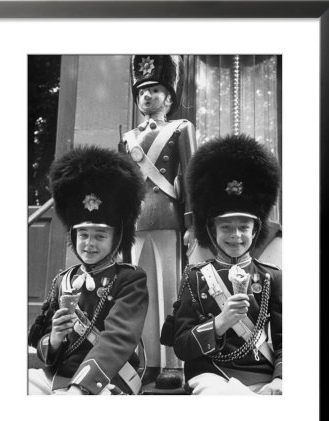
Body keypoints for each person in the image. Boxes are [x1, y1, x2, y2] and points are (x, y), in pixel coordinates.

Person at [28, 145, 148, 395]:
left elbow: (117, 339)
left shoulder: (130, 279)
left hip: (107, 380)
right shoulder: (63, 280)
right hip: (58, 377)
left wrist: (80, 388)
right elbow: (45, 345)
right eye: (83, 234)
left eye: (100, 235)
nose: (89, 243)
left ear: (117, 239)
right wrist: (55, 338)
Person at [172, 134, 282, 395]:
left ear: (255, 230)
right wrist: (220, 323)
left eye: (244, 227)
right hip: (212, 376)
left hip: (266, 377)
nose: (236, 235)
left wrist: (280, 379)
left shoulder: (272, 277)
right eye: (226, 227)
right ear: (211, 230)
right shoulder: (195, 277)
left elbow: (286, 338)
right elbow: (181, 345)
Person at [121, 55, 197, 385]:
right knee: (143, 296)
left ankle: (173, 366)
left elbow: (191, 177)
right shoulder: (127, 139)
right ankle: (150, 361)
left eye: (154, 90)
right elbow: (123, 185)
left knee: (170, 292)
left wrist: (192, 223)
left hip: (168, 219)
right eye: (142, 92)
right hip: (136, 224)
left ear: (169, 97)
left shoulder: (181, 129)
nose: (147, 96)